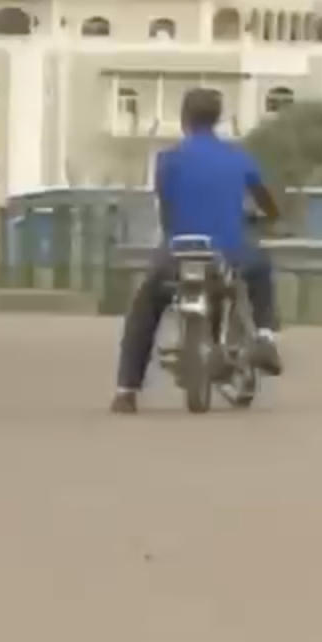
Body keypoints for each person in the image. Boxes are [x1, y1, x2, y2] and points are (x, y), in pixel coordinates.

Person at [110, 87, 286, 414]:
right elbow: (265, 199)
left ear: (184, 119)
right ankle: (265, 337)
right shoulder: (238, 157)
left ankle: (126, 390)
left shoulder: (167, 159)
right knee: (261, 268)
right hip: (229, 254)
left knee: (145, 308)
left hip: (179, 252)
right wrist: (272, 216)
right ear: (218, 119)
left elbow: (167, 209)